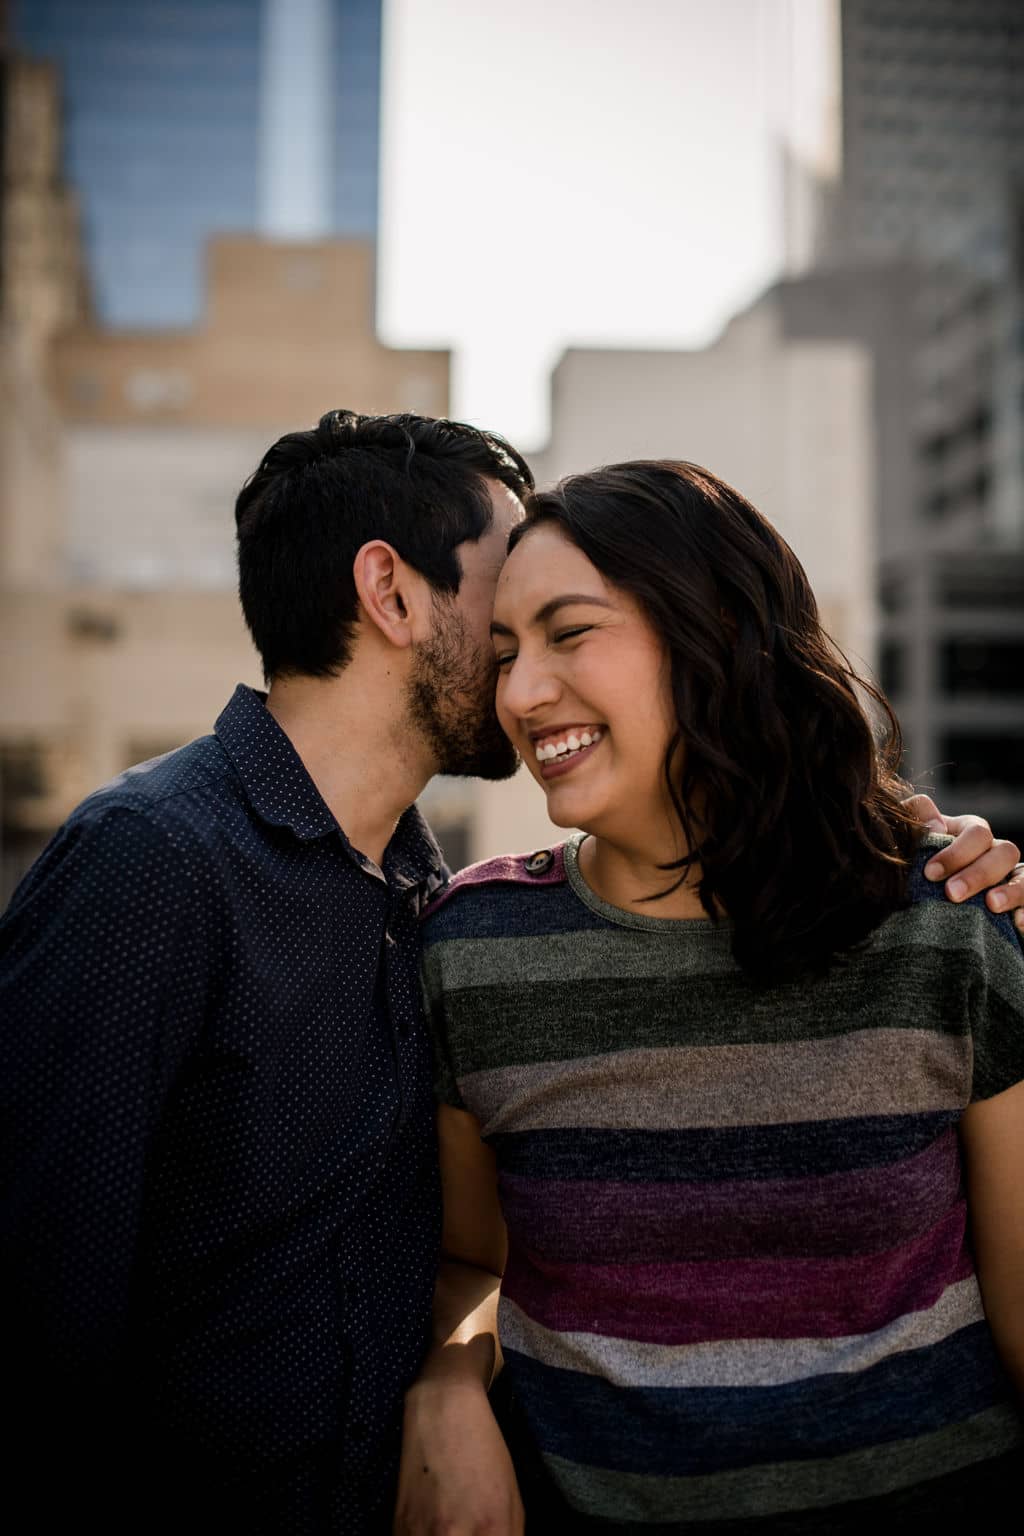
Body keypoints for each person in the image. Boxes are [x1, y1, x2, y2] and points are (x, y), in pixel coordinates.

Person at [0, 417, 1018, 1534]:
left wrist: (909, 853)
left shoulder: (411, 891)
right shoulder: (161, 862)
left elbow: (436, 1257)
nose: (518, 683)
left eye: (558, 630)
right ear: (390, 594)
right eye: (499, 628)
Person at [401, 460, 1024, 1534]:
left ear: (717, 629)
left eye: (568, 632)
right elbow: (467, 1262)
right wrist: (449, 1382)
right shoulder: (473, 949)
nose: (516, 692)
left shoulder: (944, 924)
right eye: (504, 652)